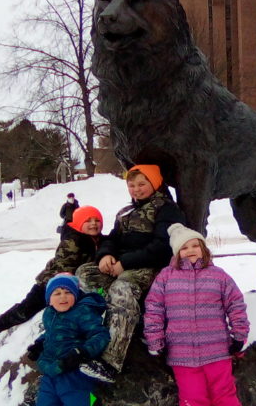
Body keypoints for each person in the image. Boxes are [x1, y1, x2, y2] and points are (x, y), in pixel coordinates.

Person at [77, 164, 185, 383]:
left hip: (151, 267)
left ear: (154, 183)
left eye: (142, 184)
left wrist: (125, 263)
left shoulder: (166, 209)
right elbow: (112, 239)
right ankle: (114, 314)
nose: (136, 189)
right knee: (83, 273)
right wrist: (105, 256)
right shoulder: (127, 211)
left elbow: (163, 246)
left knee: (122, 289)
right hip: (123, 266)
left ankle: (110, 362)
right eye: (132, 185)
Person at [144, 223, 249, 406]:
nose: (190, 250)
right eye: (184, 247)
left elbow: (235, 304)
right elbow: (154, 308)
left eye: (195, 245)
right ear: (177, 253)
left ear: (203, 248)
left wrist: (239, 334)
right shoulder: (166, 277)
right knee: (192, 398)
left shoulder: (218, 275)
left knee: (224, 395)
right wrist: (155, 339)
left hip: (217, 350)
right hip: (181, 353)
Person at [0, 206, 106, 340]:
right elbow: (63, 269)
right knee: (26, 309)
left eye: (97, 220)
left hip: (75, 282)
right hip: (51, 283)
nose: (93, 224)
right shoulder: (73, 242)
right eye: (88, 221)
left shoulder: (99, 240)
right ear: (78, 224)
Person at [27, 273, 110, 406]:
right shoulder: (49, 313)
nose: (63, 296)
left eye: (68, 292)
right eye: (57, 293)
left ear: (75, 295)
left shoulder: (82, 312)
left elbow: (101, 335)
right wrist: (39, 344)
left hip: (73, 374)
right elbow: (50, 333)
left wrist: (82, 352)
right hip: (50, 373)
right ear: (49, 299)